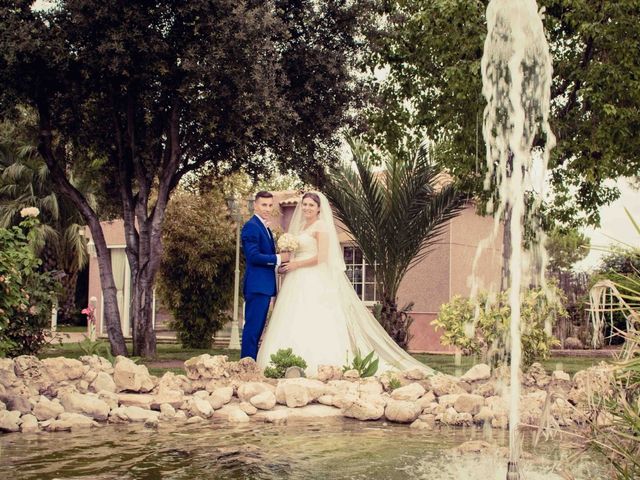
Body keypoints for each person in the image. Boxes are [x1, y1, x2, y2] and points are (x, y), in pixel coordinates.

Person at [256, 191, 434, 376]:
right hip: (296, 278)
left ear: (318, 209)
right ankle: (285, 361)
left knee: (314, 316)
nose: (307, 208)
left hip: (312, 276)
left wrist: (296, 264)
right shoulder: (301, 227)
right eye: (305, 204)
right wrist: (288, 257)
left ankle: (319, 364)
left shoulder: (321, 227)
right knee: (292, 315)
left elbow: (322, 257)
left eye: (311, 205)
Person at [240, 191, 290, 360]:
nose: (267, 209)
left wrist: (278, 267)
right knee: (253, 330)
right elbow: (253, 257)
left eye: (270, 205)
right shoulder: (251, 226)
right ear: (255, 205)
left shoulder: (264, 227)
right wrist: (278, 258)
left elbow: (263, 259)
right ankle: (246, 365)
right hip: (257, 286)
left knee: (257, 329)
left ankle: (250, 365)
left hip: (264, 286)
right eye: (264, 205)